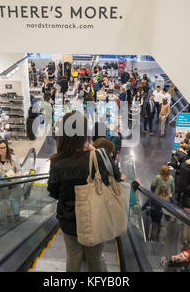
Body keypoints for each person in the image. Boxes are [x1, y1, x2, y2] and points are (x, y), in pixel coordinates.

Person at [47, 111, 132, 272]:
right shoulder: (99, 156)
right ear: (85, 133)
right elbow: (116, 177)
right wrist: (94, 150)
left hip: (69, 218)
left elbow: (53, 192)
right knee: (95, 257)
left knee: (73, 256)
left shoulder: (57, 162)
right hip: (96, 215)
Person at [0, 140, 23, 222]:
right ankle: (0, 218)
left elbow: (19, 170)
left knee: (13, 202)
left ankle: (15, 216)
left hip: (12, 185)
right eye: (0, 148)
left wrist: (15, 176)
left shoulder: (14, 158)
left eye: (4, 147)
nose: (3, 150)